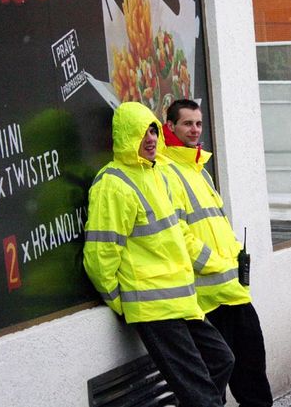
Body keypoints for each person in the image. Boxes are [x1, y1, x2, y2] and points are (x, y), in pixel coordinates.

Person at [83, 101, 234, 407]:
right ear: (126, 136)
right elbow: (101, 254)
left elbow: (175, 235)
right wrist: (120, 301)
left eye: (153, 130)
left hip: (181, 302)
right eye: (142, 132)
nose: (151, 138)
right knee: (202, 396)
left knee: (223, 360)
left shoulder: (156, 175)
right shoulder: (113, 184)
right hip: (153, 308)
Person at [161, 99, 273, 407]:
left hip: (234, 292)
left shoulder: (200, 170)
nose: (195, 129)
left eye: (198, 123)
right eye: (187, 123)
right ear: (170, 127)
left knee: (254, 382)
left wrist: (237, 257)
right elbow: (177, 235)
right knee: (213, 389)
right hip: (206, 301)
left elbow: (219, 224)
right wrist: (213, 263)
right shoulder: (166, 173)